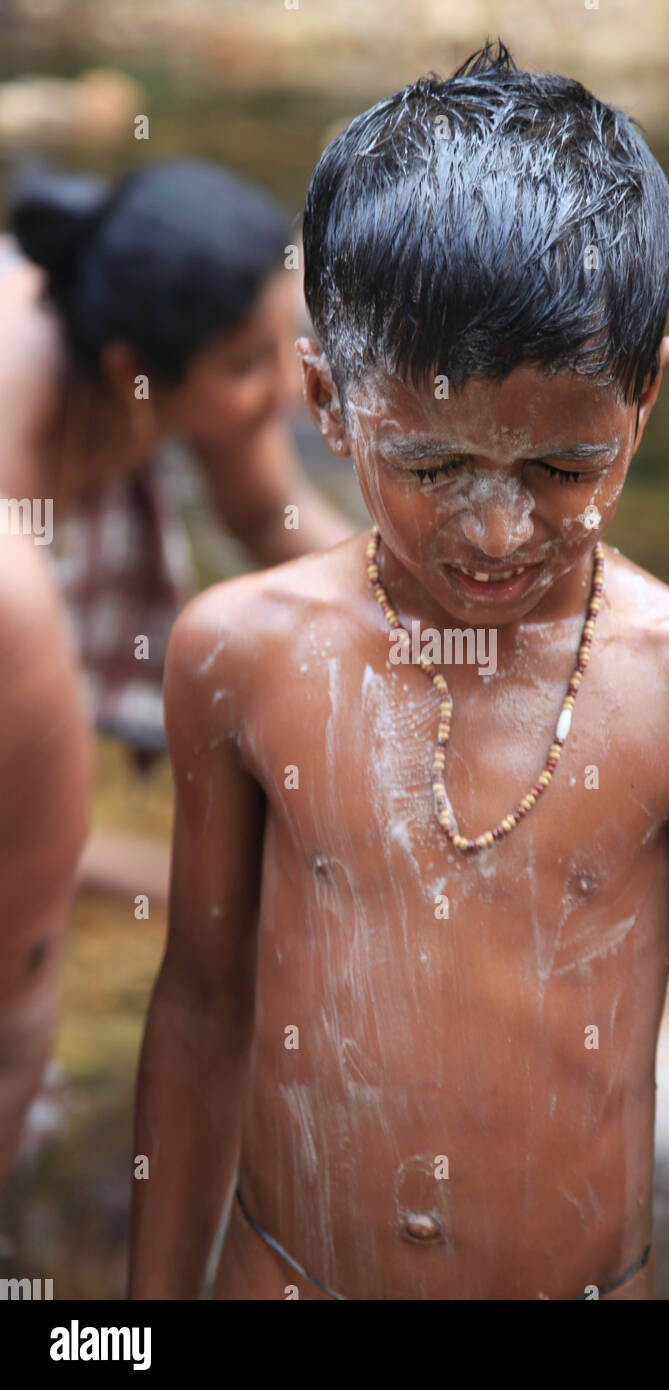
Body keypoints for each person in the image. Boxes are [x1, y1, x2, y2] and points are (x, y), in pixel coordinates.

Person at [129, 42, 669, 1300]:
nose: (498, 532)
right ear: (328, 405)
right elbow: (197, 1010)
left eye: (565, 468)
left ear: (646, 401)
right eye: (434, 464)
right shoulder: (239, 652)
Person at [0, 157, 351, 1184]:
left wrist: (438, 620)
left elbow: (271, 520)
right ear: (129, 377)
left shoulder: (184, 358)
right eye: (250, 363)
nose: (286, 387)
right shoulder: (13, 501)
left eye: (283, 345)